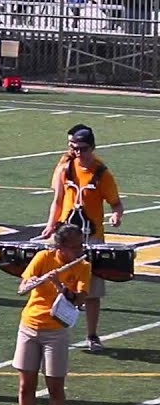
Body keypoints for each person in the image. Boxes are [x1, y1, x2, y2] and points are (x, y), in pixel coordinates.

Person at [39, 125, 122, 353]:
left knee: (91, 291)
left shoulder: (101, 173)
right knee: (53, 282)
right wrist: (50, 225)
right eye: (73, 148)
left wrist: (116, 215)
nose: (77, 153)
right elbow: (57, 200)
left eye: (82, 149)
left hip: (90, 236)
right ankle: (50, 330)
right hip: (64, 237)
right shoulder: (65, 168)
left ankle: (92, 335)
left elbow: (116, 204)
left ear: (92, 147)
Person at [10, 224, 90, 405]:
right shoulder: (43, 257)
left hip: (56, 331)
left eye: (81, 245)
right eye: (75, 246)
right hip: (29, 326)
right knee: (26, 386)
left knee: (55, 387)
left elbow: (78, 300)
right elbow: (22, 286)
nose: (80, 250)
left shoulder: (83, 266)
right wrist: (33, 282)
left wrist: (58, 285)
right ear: (61, 247)